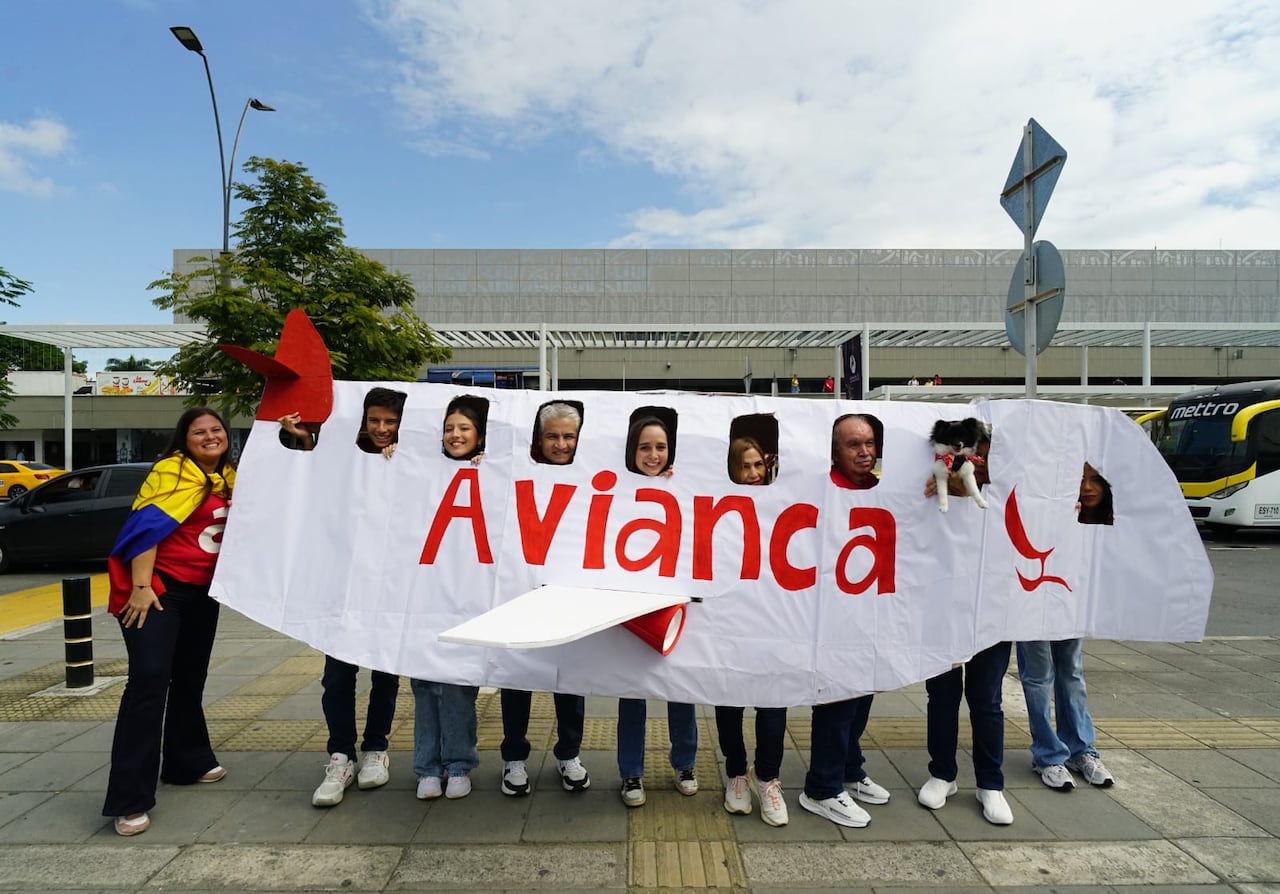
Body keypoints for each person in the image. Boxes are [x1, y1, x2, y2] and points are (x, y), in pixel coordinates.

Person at [102, 408, 236, 837]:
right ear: (184, 439)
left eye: (216, 430)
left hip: (201, 593)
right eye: (200, 431)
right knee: (149, 681)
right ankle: (129, 799)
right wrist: (142, 586)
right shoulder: (170, 472)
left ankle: (186, 762)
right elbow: (147, 529)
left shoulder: (228, 478)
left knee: (189, 678)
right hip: (157, 592)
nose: (210, 436)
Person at [284, 387, 407, 808]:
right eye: (374, 420)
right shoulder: (344, 459)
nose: (382, 429)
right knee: (337, 675)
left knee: (385, 673)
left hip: (389, 587)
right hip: (343, 587)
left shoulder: (412, 461)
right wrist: (302, 440)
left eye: (390, 422)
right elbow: (311, 477)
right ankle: (340, 755)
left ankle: (376, 748)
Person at [798, 414, 890, 828]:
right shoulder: (824, 489)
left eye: (869, 443)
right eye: (854, 445)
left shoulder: (883, 488)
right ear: (835, 452)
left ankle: (849, 768)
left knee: (862, 694)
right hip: (831, 616)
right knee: (836, 698)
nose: (865, 452)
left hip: (870, 609)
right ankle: (822, 787)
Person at [918, 434, 1014, 825]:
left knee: (986, 700)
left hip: (993, 612)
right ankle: (942, 772)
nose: (974, 460)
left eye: (983, 455)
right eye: (969, 454)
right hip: (942, 607)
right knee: (941, 695)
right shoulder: (935, 485)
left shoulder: (1011, 495)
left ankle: (991, 783)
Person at [502, 400, 591, 796]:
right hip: (522, 589)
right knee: (515, 677)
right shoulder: (518, 470)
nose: (560, 444)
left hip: (570, 595)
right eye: (552, 436)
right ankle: (514, 758)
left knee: (569, 679)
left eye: (568, 436)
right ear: (539, 439)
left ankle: (569, 753)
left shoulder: (595, 474)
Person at [1015, 463, 1115, 791]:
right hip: (1032, 600)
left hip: (1071, 607)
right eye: (1080, 480)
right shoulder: (1048, 509)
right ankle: (1048, 755)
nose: (1087, 487)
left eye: (1095, 479)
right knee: (1038, 676)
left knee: (1071, 673)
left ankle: (1081, 750)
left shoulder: (1107, 524)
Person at [617, 416, 699, 807]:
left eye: (660, 447)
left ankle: (685, 762)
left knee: (680, 688)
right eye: (645, 447)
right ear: (632, 451)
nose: (653, 455)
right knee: (631, 692)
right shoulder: (617, 488)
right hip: (630, 607)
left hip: (674, 601)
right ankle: (631, 772)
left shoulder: (683, 485)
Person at [410, 397, 486, 801]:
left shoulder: (490, 472)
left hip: (466, 593)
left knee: (458, 682)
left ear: (479, 435)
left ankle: (458, 763)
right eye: (449, 428)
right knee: (423, 682)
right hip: (424, 591)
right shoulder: (422, 469)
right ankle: (426, 766)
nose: (456, 436)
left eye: (464, 428)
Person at [712, 435, 789, 824]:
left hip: (772, 618)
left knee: (773, 700)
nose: (756, 473)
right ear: (732, 469)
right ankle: (736, 774)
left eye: (760, 465)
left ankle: (768, 777)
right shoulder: (714, 505)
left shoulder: (782, 501)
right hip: (728, 620)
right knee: (729, 699)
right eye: (747, 466)